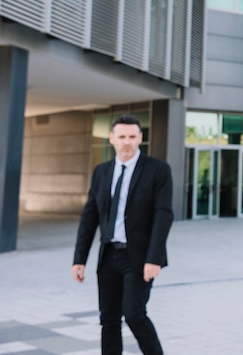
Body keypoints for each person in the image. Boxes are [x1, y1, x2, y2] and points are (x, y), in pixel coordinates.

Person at [72, 114, 174, 355]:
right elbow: (90, 217)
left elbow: (164, 214)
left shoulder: (157, 170)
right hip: (109, 255)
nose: (126, 142)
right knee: (108, 319)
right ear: (112, 139)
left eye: (131, 136)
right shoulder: (102, 172)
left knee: (134, 314)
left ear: (140, 138)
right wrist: (79, 258)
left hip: (139, 257)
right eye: (121, 137)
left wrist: (154, 258)